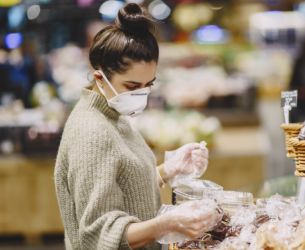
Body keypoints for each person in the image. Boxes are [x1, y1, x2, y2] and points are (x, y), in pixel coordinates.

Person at [54, 3, 221, 250]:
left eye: (148, 84)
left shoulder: (113, 113)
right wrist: (165, 224)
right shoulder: (91, 132)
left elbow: (118, 186)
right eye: (132, 87)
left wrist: (167, 171)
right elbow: (97, 235)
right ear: (100, 78)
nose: (141, 95)